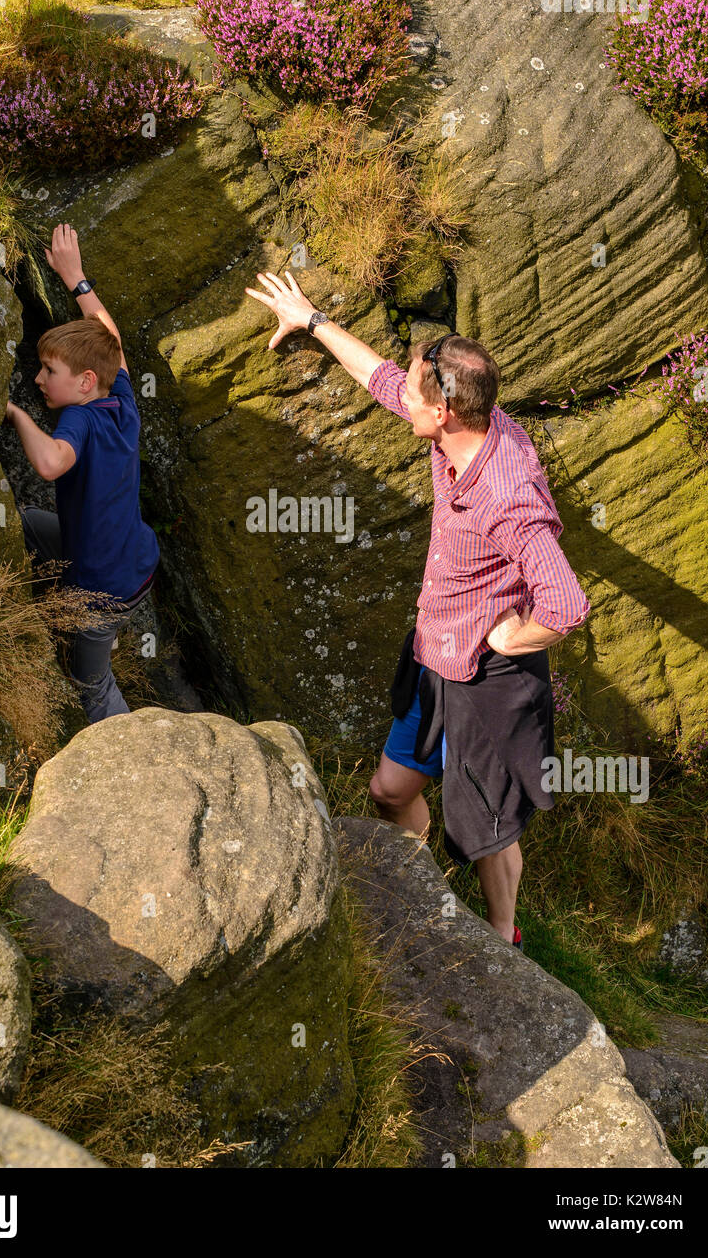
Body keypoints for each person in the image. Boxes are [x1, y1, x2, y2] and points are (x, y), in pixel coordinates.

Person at [245, 267, 590, 948]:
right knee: (388, 790)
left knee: (488, 824)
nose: (400, 396)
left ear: (445, 413)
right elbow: (379, 377)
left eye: (414, 394)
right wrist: (310, 321)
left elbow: (567, 605)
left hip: (486, 679)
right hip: (435, 654)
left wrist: (504, 641)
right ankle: (424, 891)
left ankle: (499, 937)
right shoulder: (454, 428)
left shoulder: (506, 493)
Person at [6, 223, 160, 724]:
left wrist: (16, 414)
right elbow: (111, 340)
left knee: (89, 683)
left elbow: (51, 463)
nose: (38, 378)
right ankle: (47, 603)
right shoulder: (120, 397)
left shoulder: (77, 418)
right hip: (135, 563)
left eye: (49, 370)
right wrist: (77, 280)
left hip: (102, 590)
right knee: (27, 523)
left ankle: (131, 752)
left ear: (85, 381)